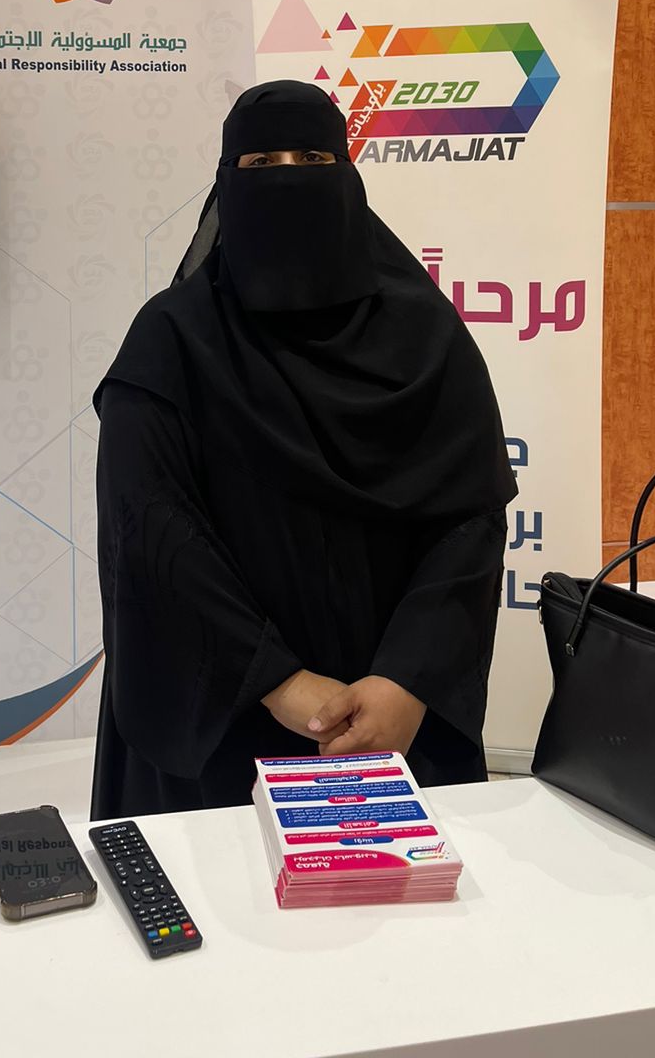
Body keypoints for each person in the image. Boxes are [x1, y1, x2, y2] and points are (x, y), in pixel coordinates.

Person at [90, 81, 517, 819]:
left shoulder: (427, 339)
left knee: (399, 890)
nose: (287, 179)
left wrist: (406, 682)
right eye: (261, 164)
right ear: (226, 183)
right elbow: (151, 530)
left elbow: (470, 519)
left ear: (347, 176)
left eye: (311, 159)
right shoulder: (171, 344)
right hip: (223, 724)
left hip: (391, 722)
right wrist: (277, 681)